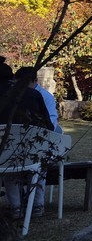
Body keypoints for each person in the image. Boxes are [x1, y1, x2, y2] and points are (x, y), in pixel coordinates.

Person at [3, 67, 54, 219]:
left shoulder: (7, 95)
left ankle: (16, 207)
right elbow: (49, 126)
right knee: (38, 166)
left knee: (9, 169)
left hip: (5, 154)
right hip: (33, 151)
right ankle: (37, 205)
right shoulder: (34, 95)